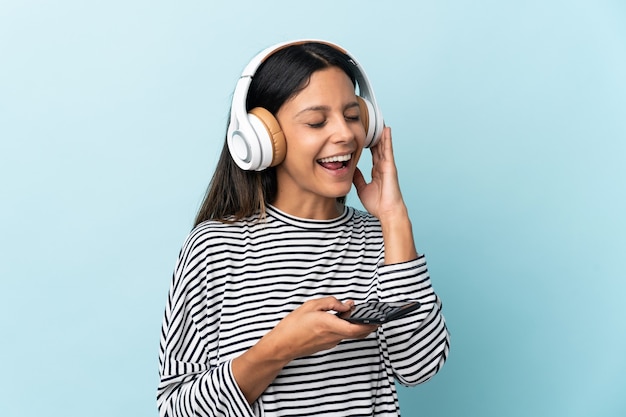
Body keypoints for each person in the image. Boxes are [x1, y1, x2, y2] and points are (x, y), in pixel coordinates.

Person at [157, 40, 450, 417]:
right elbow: (175, 410)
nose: (345, 134)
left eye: (352, 115)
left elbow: (419, 367)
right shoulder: (215, 248)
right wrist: (280, 346)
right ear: (263, 139)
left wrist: (394, 218)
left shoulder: (385, 242)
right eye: (316, 121)